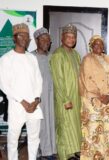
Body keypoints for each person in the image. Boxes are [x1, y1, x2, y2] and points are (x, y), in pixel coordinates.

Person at [0, 23, 43, 160]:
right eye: (21, 36)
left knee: (34, 138)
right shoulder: (6, 59)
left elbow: (38, 80)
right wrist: (22, 101)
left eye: (27, 36)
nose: (25, 39)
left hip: (34, 106)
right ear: (14, 38)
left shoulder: (32, 58)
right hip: (17, 105)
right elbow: (4, 85)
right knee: (13, 139)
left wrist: (36, 100)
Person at [79, 35, 109, 159]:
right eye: (95, 44)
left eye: (101, 44)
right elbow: (87, 80)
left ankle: (106, 157)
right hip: (92, 101)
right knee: (93, 131)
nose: (98, 46)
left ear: (104, 46)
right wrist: (99, 96)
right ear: (91, 46)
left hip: (108, 101)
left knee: (107, 131)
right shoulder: (87, 59)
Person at [49, 24, 81, 160]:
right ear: (62, 38)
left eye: (73, 37)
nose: (71, 39)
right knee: (64, 128)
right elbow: (58, 80)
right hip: (65, 100)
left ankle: (72, 154)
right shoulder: (57, 55)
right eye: (68, 36)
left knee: (74, 127)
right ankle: (63, 156)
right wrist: (65, 100)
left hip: (76, 99)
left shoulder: (76, 54)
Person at [31, 27, 57, 159]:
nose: (47, 42)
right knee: (40, 126)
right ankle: (39, 152)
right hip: (38, 98)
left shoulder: (52, 57)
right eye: (43, 39)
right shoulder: (31, 57)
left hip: (52, 97)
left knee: (52, 123)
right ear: (36, 40)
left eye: (48, 40)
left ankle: (51, 151)